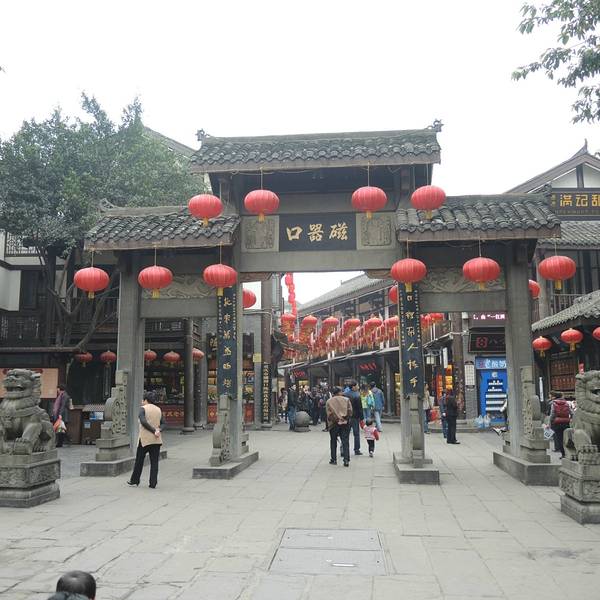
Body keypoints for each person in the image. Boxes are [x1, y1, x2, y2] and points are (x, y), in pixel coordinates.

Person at [127, 391, 163, 488]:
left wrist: (153, 430)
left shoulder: (143, 409)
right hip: (156, 440)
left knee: (139, 461)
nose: (142, 401)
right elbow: (164, 423)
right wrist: (158, 430)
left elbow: (143, 422)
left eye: (143, 400)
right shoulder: (158, 409)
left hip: (144, 439)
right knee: (154, 462)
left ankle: (135, 480)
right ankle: (153, 483)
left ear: (146, 400)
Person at [326, 386, 353, 466]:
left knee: (333, 441)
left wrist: (335, 420)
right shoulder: (346, 400)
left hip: (334, 423)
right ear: (339, 392)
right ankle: (346, 459)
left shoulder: (329, 401)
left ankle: (333, 459)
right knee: (345, 441)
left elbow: (329, 414)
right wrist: (345, 418)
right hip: (345, 422)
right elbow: (350, 411)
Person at [549, 391, 573, 458]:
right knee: (566, 438)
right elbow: (571, 413)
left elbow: (552, 414)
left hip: (557, 423)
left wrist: (550, 422)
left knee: (559, 439)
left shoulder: (553, 403)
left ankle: (563, 454)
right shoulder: (566, 403)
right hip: (566, 422)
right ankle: (569, 453)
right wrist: (570, 419)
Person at [343, 380, 364, 455]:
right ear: (353, 387)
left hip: (346, 416)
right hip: (355, 417)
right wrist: (362, 418)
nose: (358, 387)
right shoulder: (357, 395)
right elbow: (360, 408)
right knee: (356, 433)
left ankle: (343, 449)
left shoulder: (344, 394)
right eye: (357, 385)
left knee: (345, 434)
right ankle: (357, 449)